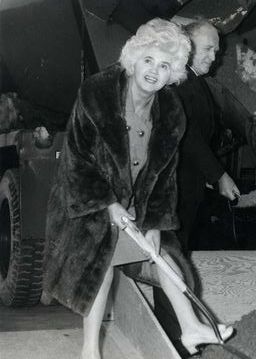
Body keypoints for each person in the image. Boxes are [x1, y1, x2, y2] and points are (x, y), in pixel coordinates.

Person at [42, 19, 233, 359]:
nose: (154, 71)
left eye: (164, 65)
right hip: (87, 201)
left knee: (166, 256)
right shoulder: (96, 93)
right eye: (148, 60)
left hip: (137, 208)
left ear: (174, 71)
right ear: (134, 57)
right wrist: (110, 205)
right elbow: (77, 161)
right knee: (101, 258)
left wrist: (156, 224)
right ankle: (89, 351)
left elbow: (164, 177)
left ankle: (190, 326)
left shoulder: (172, 111)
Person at [175, 20, 240, 251]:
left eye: (216, 51)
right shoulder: (180, 82)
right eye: (208, 49)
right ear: (187, 46)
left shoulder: (193, 81)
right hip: (178, 188)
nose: (214, 58)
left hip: (188, 183)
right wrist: (218, 175)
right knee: (173, 251)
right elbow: (189, 134)